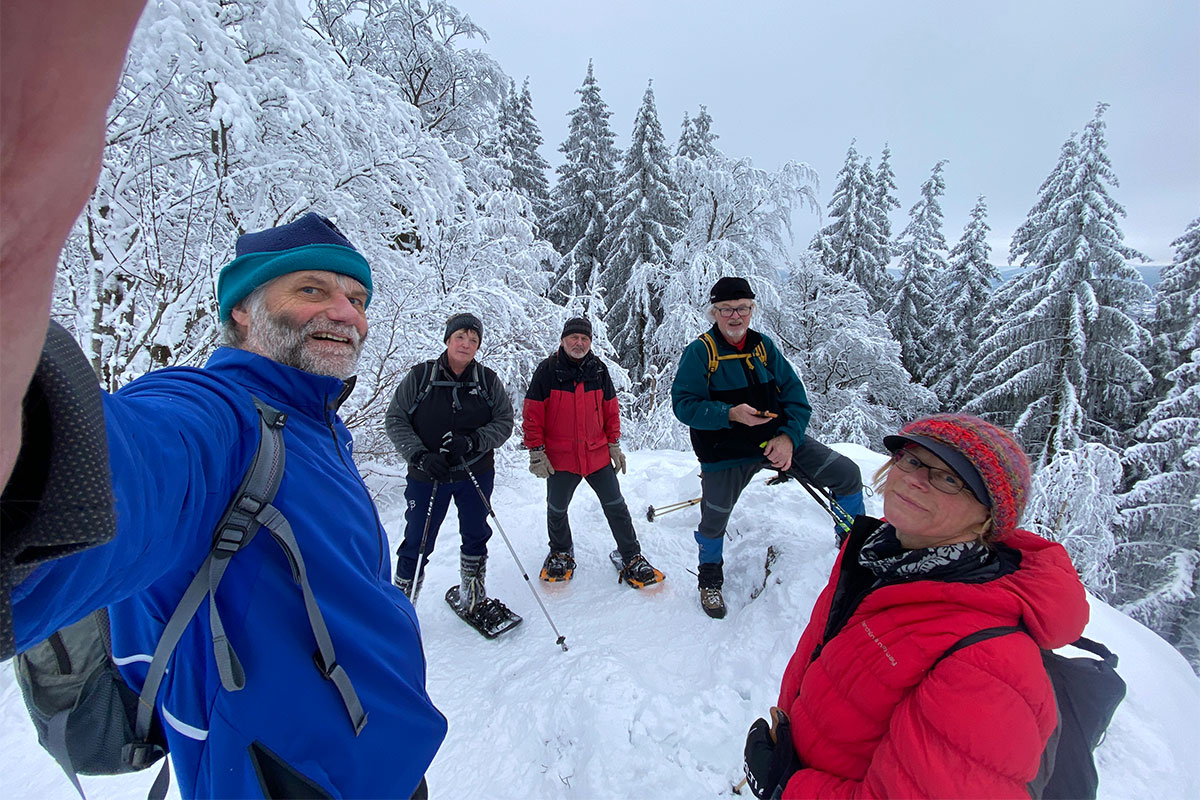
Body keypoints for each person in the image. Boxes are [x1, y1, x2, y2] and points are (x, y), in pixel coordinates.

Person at [2, 212, 447, 798]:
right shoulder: (220, 418)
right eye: (312, 289)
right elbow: (127, 467)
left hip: (390, 760)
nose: (346, 313)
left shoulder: (320, 428)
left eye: (356, 297)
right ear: (242, 310)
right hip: (291, 777)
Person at [741, 414, 1089, 798]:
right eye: (912, 459)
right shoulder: (878, 557)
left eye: (950, 479)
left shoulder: (987, 663)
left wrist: (786, 786)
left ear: (989, 516)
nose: (916, 479)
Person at [671, 277, 864, 619]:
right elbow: (684, 405)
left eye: (743, 308)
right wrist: (729, 414)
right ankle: (709, 579)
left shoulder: (763, 347)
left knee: (846, 473)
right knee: (714, 521)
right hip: (723, 453)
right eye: (727, 309)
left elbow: (796, 399)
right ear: (713, 313)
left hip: (774, 443)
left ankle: (851, 543)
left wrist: (787, 438)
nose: (735, 316)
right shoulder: (701, 352)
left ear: (752, 310)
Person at [384, 313, 515, 618]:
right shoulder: (420, 377)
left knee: (476, 533)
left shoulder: (486, 380)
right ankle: (399, 611)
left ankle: (473, 596)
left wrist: (472, 442)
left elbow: (504, 422)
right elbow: (395, 419)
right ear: (447, 339)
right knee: (417, 542)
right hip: (427, 475)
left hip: (475, 472)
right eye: (460, 337)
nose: (466, 344)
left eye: (473, 340)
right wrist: (419, 455)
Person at [523, 318, 664, 587]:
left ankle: (631, 555)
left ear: (590, 342)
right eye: (574, 338)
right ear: (563, 341)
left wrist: (613, 444)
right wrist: (536, 451)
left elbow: (611, 409)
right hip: (561, 458)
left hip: (597, 455)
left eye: (584, 339)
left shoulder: (598, 370)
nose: (579, 343)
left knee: (616, 506)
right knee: (556, 508)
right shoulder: (548, 370)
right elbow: (532, 413)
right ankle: (561, 551)